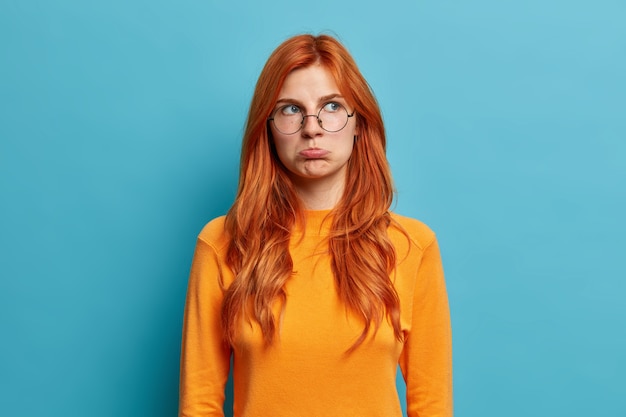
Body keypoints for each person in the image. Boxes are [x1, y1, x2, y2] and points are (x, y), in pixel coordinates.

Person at [179, 33, 452, 417]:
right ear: (268, 127)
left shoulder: (412, 246)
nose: (312, 127)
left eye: (332, 106)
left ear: (359, 123)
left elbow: (432, 405)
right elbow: (199, 403)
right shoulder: (222, 242)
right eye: (291, 109)